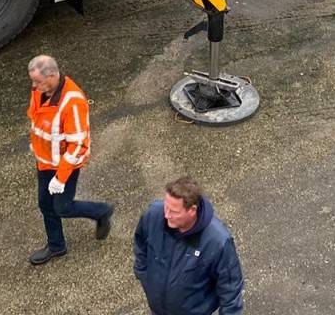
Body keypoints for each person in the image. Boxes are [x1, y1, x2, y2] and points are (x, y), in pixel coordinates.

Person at [26, 54, 114, 265]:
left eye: (38, 81)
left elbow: (77, 145)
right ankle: (56, 246)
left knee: (62, 207)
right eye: (33, 81)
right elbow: (38, 118)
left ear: (53, 75)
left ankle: (102, 211)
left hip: (64, 165)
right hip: (45, 161)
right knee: (45, 204)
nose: (34, 85)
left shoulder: (73, 102)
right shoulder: (41, 90)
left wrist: (61, 177)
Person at [134, 175, 243, 315]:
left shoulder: (218, 241)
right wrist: (143, 273)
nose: (166, 215)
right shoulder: (153, 215)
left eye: (173, 212)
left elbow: (231, 290)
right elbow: (140, 241)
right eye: (166, 207)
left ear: (192, 210)